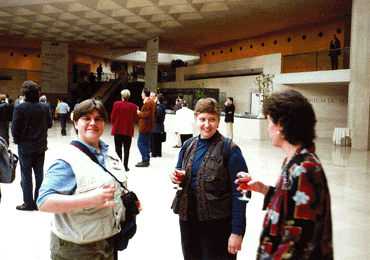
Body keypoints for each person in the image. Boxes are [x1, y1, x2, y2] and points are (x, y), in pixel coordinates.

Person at [37, 99, 142, 259]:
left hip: (109, 242)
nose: (93, 123)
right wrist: (89, 199)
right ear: (75, 123)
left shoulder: (109, 154)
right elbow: (44, 202)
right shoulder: (66, 160)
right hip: (78, 248)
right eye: (86, 118)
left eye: (98, 119)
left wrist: (126, 200)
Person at [235, 89, 333, 259]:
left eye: (269, 122)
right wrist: (264, 189)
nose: (268, 128)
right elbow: (294, 207)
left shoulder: (304, 168)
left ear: (281, 124)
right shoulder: (295, 161)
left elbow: (298, 241)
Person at [170, 98, 249, 260]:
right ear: (196, 119)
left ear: (219, 121)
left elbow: (242, 194)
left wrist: (237, 232)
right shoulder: (188, 145)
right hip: (188, 222)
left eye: (212, 120)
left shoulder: (230, 150)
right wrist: (175, 177)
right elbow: (179, 173)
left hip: (218, 226)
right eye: (203, 119)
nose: (207, 125)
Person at [11, 80, 52, 211]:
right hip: (40, 145)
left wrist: (17, 140)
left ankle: (28, 203)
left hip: (25, 146)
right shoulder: (44, 107)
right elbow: (50, 124)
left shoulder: (20, 108)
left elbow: (15, 128)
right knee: (39, 174)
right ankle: (39, 202)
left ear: (24, 93)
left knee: (26, 175)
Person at [111, 89, 138, 171]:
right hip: (128, 130)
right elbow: (135, 118)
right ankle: (125, 166)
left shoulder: (116, 104)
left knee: (118, 148)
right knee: (127, 149)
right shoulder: (133, 106)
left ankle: (119, 165)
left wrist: (114, 123)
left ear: (121, 96)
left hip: (118, 129)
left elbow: (113, 116)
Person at [136, 88, 158, 167]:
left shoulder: (147, 102)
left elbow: (146, 114)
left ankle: (145, 160)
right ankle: (146, 159)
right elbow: (156, 112)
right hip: (149, 126)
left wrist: (139, 113)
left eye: (142, 93)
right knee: (146, 143)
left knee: (140, 143)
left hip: (144, 126)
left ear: (145, 94)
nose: (141, 94)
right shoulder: (152, 102)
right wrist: (152, 118)